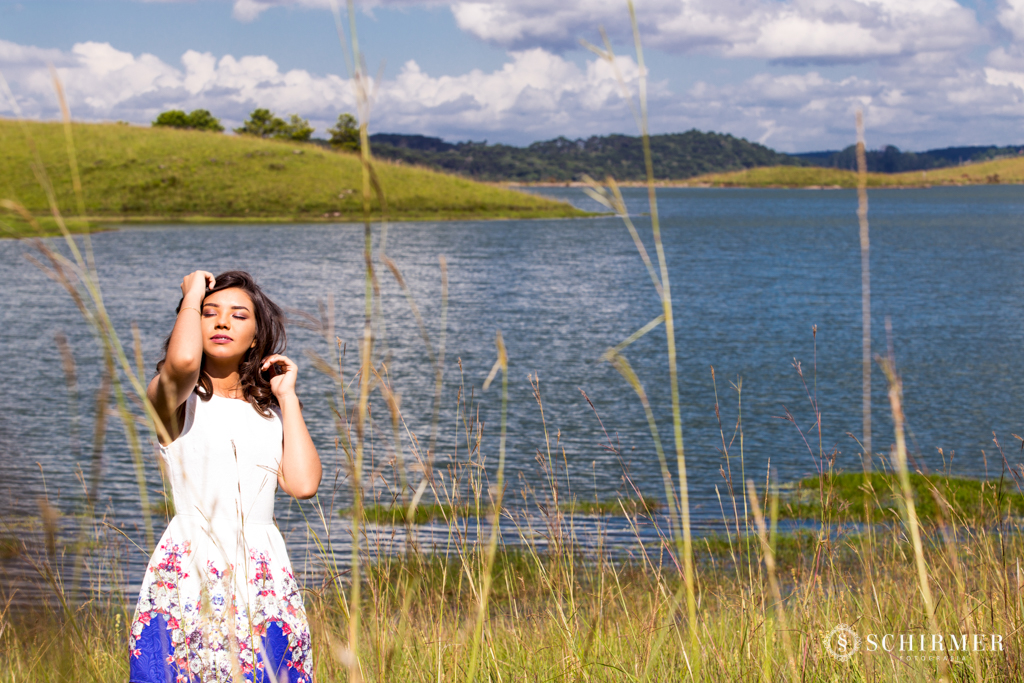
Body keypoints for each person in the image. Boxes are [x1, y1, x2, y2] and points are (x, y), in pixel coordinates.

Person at [129, 270, 321, 683]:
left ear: (255, 337)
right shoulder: (173, 399)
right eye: (209, 313)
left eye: (238, 315)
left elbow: (303, 485)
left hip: (262, 572)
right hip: (191, 568)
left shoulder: (269, 410)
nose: (221, 322)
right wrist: (192, 292)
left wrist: (287, 396)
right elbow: (183, 362)